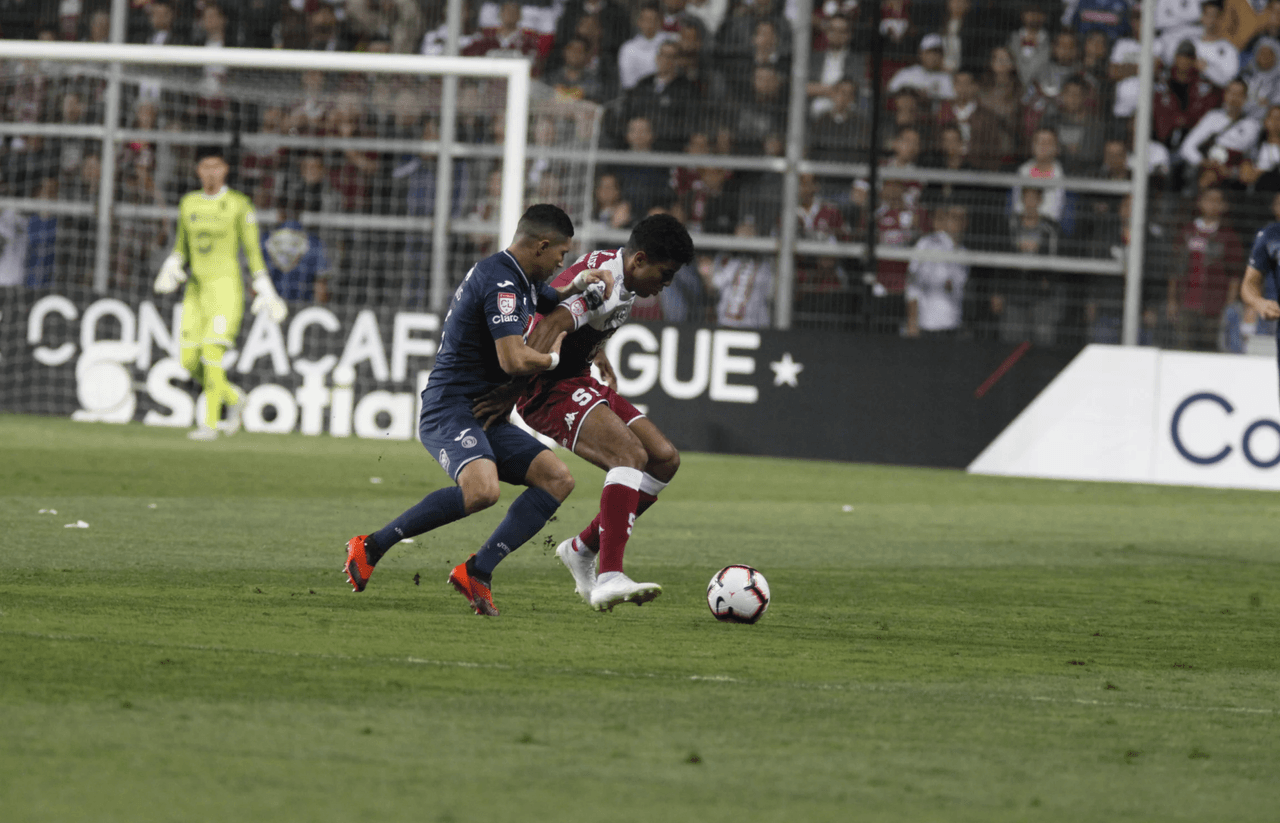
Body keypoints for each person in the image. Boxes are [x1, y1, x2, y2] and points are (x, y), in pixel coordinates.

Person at [342, 204, 615, 616]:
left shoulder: (520, 277)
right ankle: (371, 546)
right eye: (561, 255)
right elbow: (513, 359)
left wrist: (577, 284)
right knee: (483, 491)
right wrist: (553, 360)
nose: (563, 263)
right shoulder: (501, 282)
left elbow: (551, 297)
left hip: (485, 413)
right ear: (541, 246)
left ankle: (477, 571)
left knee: (556, 479)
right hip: (449, 408)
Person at [470, 213, 695, 611]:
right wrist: (514, 392)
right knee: (629, 456)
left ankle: (582, 549)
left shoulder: (620, 274)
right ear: (640, 260)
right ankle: (610, 576)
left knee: (663, 460)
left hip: (576, 376)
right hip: (545, 386)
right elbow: (548, 326)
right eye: (665, 274)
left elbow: (581, 320)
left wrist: (597, 351)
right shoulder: (604, 284)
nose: (666, 284)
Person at [153, 145, 287, 441]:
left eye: (216, 166)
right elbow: (181, 246)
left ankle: (210, 424)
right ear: (197, 170)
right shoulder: (189, 203)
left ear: (225, 169)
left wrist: (266, 288)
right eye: (205, 167)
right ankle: (233, 397)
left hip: (226, 288)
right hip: (195, 290)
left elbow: (253, 252)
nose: (211, 172)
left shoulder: (239, 204)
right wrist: (172, 264)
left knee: (211, 353)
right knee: (188, 359)